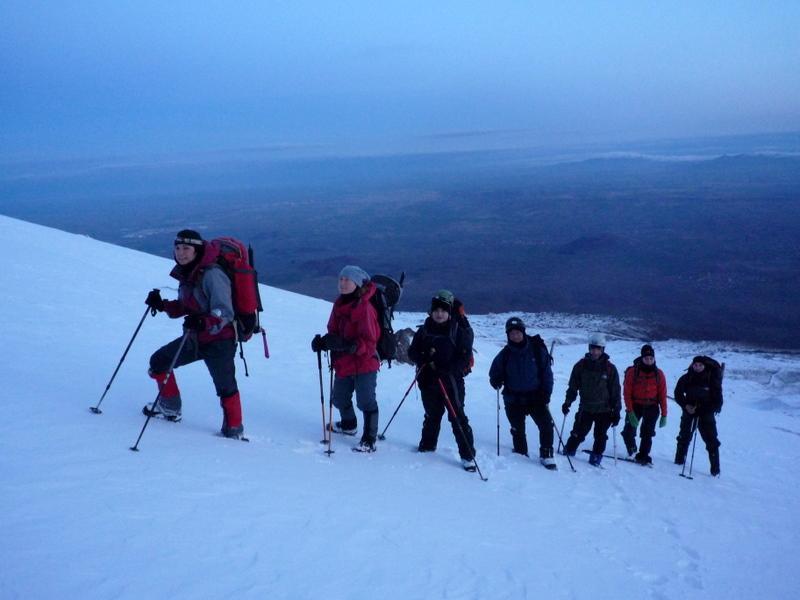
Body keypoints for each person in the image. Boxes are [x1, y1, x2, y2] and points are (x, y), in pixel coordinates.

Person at [143, 229, 244, 438]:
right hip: (195, 337)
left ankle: (234, 429)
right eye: (178, 248)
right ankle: (170, 407)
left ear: (197, 250)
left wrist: (203, 321)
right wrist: (162, 305)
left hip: (220, 340)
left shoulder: (212, 274)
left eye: (186, 248)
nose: (181, 253)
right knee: (160, 361)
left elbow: (224, 311)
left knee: (226, 386)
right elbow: (186, 306)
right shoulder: (188, 272)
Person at [311, 265, 380, 452]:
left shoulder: (365, 308)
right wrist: (324, 342)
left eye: (347, 280)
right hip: (344, 361)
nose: (342, 283)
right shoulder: (339, 304)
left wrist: (353, 346)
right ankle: (349, 425)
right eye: (340, 279)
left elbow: (371, 340)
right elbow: (334, 331)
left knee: (365, 400)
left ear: (357, 283)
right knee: (339, 398)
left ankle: (369, 439)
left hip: (364, 362)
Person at [408, 290, 477, 471]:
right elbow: (412, 351)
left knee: (456, 416)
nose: (439, 314)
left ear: (449, 313)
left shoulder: (457, 331)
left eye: (443, 311)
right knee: (432, 415)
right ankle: (428, 446)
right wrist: (422, 359)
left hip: (451, 381)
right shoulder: (424, 330)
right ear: (431, 312)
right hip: (428, 380)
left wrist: (448, 369)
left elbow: (464, 356)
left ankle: (468, 455)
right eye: (436, 310)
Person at [489, 317, 556, 469]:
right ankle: (520, 453)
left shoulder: (537, 351)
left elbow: (547, 374)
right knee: (517, 428)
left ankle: (547, 454)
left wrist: (546, 393)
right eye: (511, 333)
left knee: (546, 425)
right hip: (513, 398)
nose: (515, 336)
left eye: (518, 332)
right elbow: (494, 372)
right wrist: (496, 381)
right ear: (508, 335)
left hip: (536, 397)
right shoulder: (505, 354)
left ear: (523, 332)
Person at [561, 333, 621, 466]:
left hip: (604, 409)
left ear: (602, 350)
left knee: (600, 436)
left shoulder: (610, 369)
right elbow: (573, 386)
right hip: (586, 407)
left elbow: (615, 391)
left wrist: (616, 411)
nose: (595, 351)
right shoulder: (581, 366)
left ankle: (596, 456)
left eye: (598, 349)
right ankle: (570, 450)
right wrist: (567, 402)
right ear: (589, 348)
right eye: (592, 348)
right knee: (578, 432)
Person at [673, 356, 723, 476]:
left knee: (711, 441)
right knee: (684, 437)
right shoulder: (687, 377)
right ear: (692, 365)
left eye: (700, 365)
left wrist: (704, 409)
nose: (697, 367)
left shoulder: (712, 379)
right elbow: (678, 394)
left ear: (704, 366)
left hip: (706, 415)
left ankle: (715, 471)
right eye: (695, 365)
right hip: (689, 412)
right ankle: (678, 462)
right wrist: (686, 406)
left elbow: (718, 401)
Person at [620, 344, 668, 465]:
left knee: (647, 433)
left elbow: (662, 395)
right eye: (646, 358)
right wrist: (630, 411)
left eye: (651, 358)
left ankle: (643, 455)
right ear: (641, 358)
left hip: (652, 407)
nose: (649, 361)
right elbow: (627, 393)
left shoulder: (659, 374)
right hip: (635, 405)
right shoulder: (632, 372)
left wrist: (664, 414)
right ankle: (632, 449)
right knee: (628, 431)